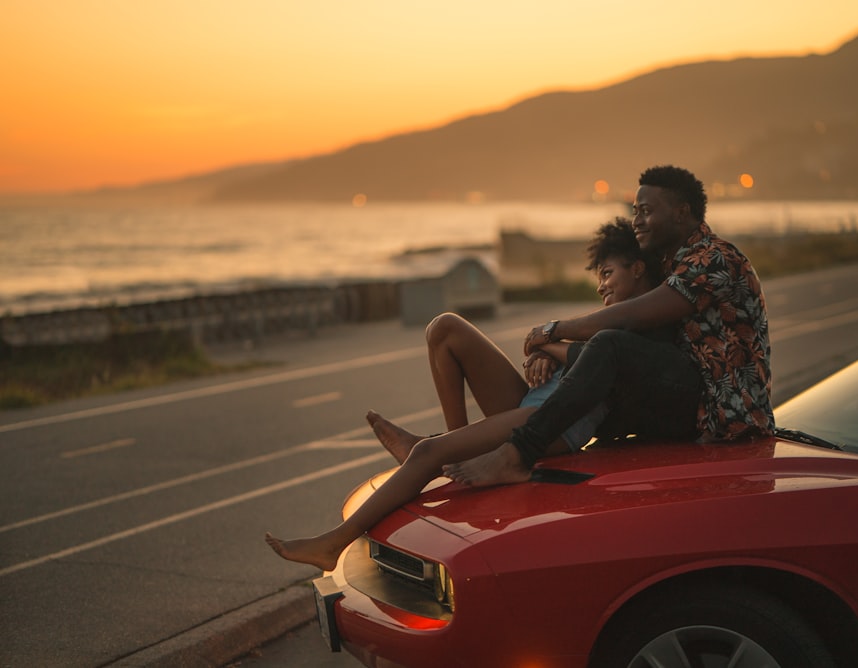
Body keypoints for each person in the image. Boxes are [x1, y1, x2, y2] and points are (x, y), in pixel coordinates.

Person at [265, 218, 664, 571]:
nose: (601, 286)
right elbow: (565, 349)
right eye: (599, 277)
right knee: (445, 327)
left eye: (608, 273)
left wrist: (548, 345)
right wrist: (545, 351)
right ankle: (454, 445)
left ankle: (333, 543)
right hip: (531, 404)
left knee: (425, 455)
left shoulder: (643, 325)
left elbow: (592, 356)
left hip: (553, 427)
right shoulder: (609, 319)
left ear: (638, 268)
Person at [444, 164, 774, 487]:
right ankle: (462, 448)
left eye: (646, 211)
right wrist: (553, 352)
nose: (637, 221)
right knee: (598, 377)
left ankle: (516, 454)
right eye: (635, 211)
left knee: (608, 347)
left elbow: (629, 318)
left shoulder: (714, 259)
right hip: (688, 403)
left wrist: (555, 331)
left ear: (681, 212)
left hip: (725, 415)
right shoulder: (671, 263)